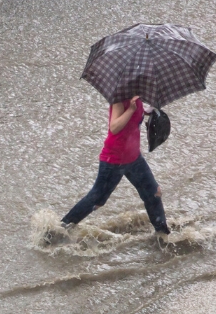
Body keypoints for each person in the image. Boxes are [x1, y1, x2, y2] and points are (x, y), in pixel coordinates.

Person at [62, 96, 171, 235]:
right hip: (114, 160)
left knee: (154, 193)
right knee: (98, 199)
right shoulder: (119, 98)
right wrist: (131, 110)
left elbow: (139, 112)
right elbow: (114, 127)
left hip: (134, 158)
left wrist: (150, 109)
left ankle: (162, 235)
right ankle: (62, 228)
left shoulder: (136, 97)